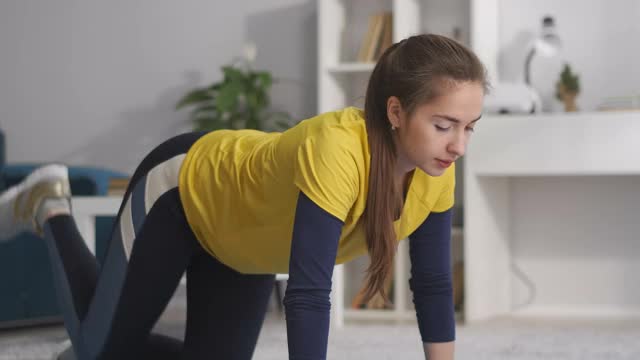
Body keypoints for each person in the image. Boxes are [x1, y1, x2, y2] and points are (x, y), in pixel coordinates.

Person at [0, 33, 488, 360]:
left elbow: (432, 284)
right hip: (185, 194)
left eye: (469, 127)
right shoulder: (339, 149)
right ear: (396, 112)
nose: (458, 145)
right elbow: (309, 292)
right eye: (444, 126)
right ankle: (50, 205)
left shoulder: (435, 168)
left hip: (243, 248)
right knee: (97, 348)